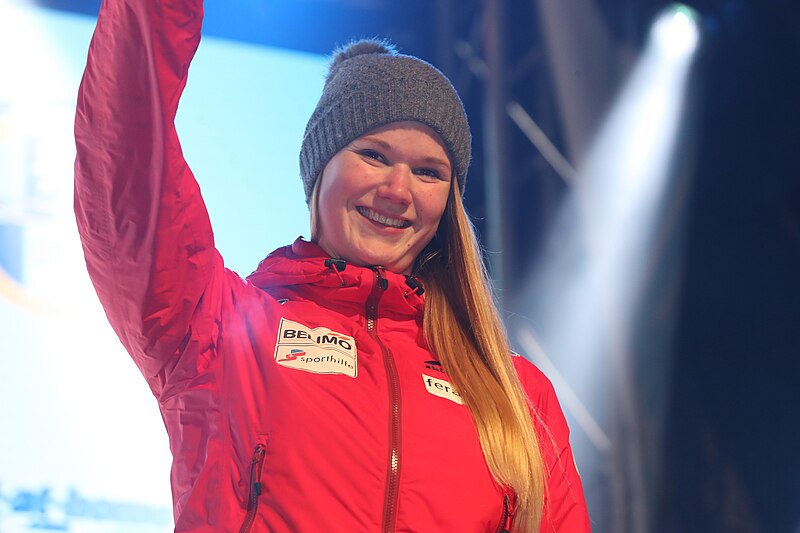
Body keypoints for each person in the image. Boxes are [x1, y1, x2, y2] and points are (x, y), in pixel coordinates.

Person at [74, 0, 591, 531]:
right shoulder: (218, 331)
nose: (397, 190)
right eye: (373, 155)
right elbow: (128, 160)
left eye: (429, 171)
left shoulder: (516, 394)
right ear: (320, 168)